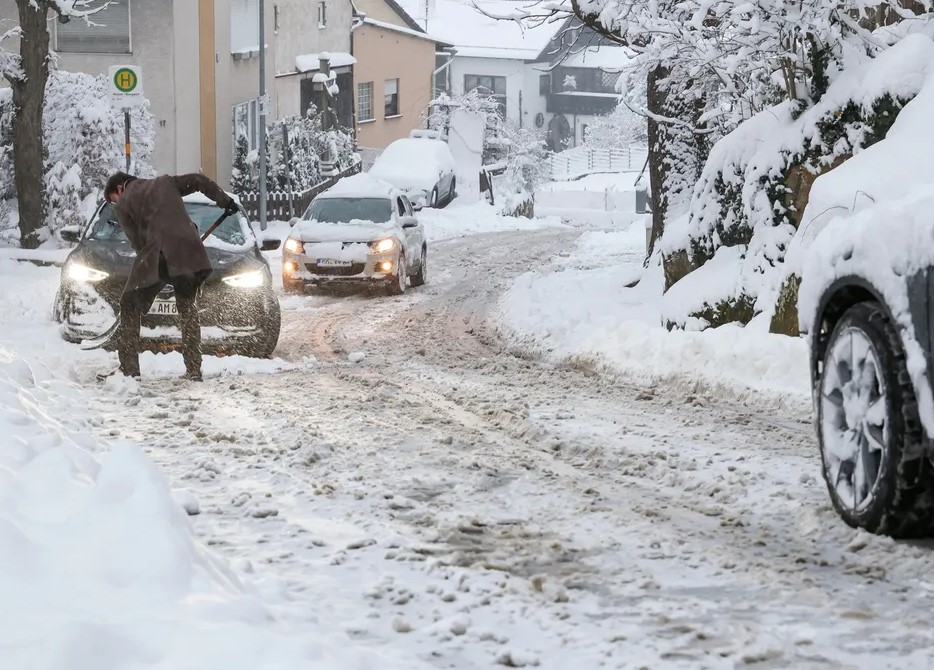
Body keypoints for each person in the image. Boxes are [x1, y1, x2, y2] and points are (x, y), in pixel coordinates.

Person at [101, 171, 240, 382]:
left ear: (120, 188)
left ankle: (129, 370)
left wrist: (150, 267)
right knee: (188, 309)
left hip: (157, 255)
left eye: (114, 199)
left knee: (129, 304)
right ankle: (193, 369)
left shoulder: (124, 203)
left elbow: (138, 243)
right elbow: (198, 180)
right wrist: (225, 201)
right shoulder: (165, 183)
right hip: (189, 252)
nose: (115, 203)